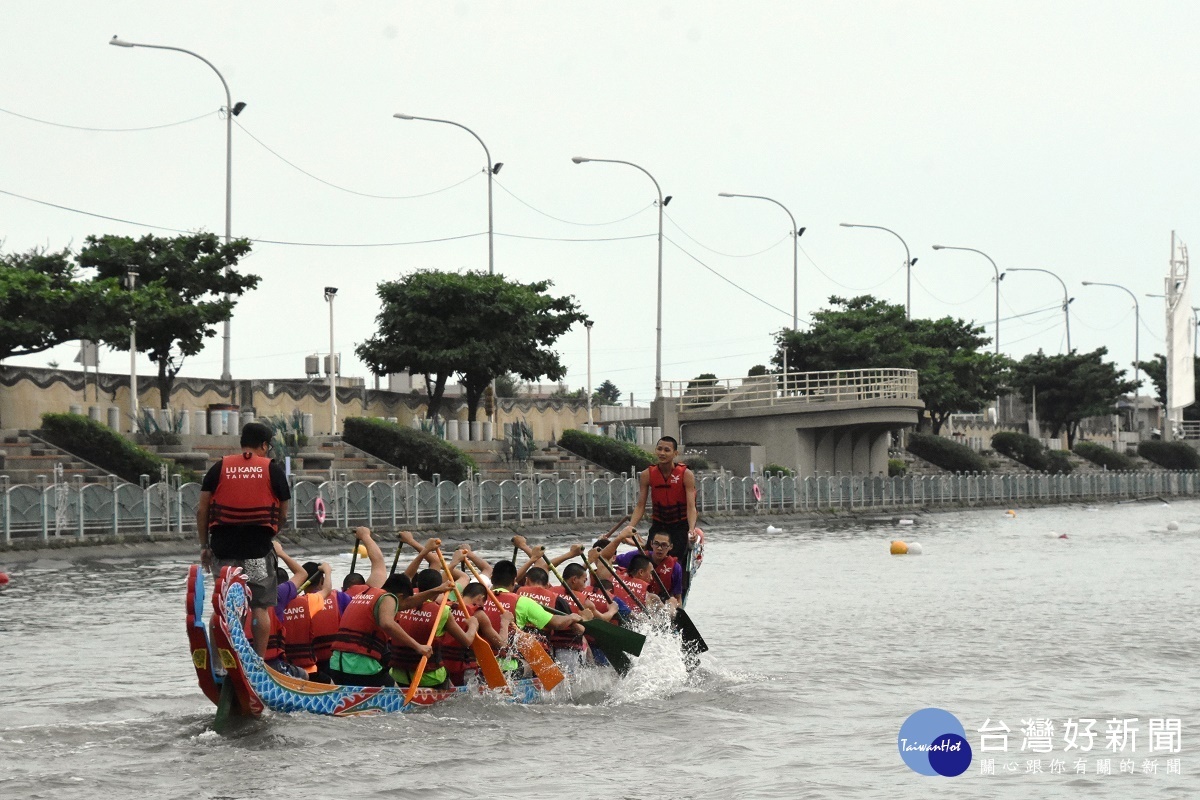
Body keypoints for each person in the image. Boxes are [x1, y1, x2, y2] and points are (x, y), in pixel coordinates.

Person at [198, 421, 291, 656]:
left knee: (223, 608)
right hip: (258, 553)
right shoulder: (272, 470)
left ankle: (220, 659)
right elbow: (283, 513)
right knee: (260, 607)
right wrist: (271, 532)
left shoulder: (219, 468)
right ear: (263, 445)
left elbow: (202, 511)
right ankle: (258, 660)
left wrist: (204, 547)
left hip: (225, 553)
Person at [326, 572, 448, 687]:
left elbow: (406, 604)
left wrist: (436, 590)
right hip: (361, 668)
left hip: (336, 665)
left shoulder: (367, 594)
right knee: (398, 697)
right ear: (400, 596)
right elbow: (387, 623)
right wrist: (418, 647)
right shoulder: (388, 597)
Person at [482, 559, 585, 674]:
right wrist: (571, 617)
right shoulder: (522, 602)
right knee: (534, 664)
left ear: (491, 579)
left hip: (480, 665)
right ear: (514, 581)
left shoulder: (478, 598)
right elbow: (556, 623)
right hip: (507, 667)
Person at [625, 435, 698, 596]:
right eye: (659, 449)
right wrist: (631, 527)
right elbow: (640, 505)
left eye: (667, 450)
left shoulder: (686, 474)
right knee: (649, 558)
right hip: (659, 524)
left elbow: (691, 507)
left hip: (679, 525)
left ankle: (676, 596)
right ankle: (646, 593)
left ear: (675, 453)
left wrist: (691, 530)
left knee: (675, 562)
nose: (662, 453)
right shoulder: (647, 474)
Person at [389, 568, 479, 689]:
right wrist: (473, 625)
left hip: (397, 675)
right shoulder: (442, 611)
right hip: (430, 678)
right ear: (439, 589)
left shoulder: (397, 605)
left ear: (416, 585)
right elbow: (467, 641)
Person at [601, 527, 684, 604]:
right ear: (651, 544)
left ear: (670, 547)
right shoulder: (637, 556)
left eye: (664, 545)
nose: (659, 548)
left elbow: (678, 597)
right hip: (634, 601)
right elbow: (607, 558)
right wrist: (618, 538)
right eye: (656, 544)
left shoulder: (676, 568)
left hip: (659, 604)